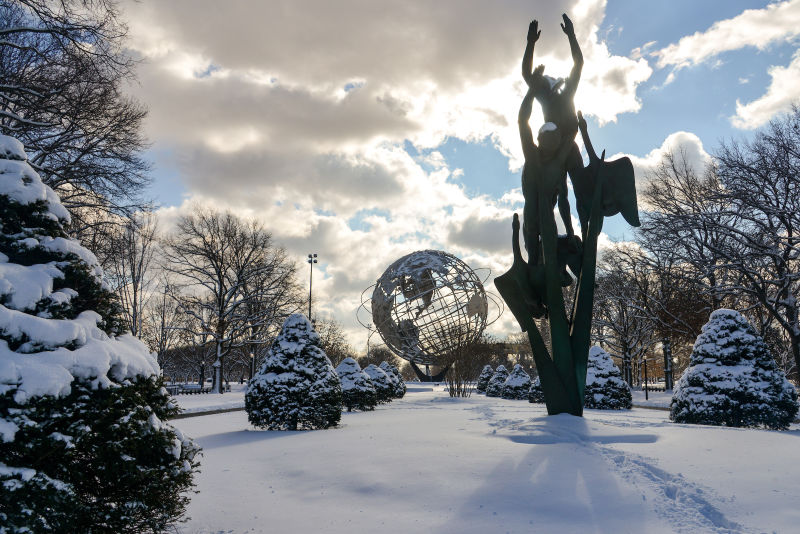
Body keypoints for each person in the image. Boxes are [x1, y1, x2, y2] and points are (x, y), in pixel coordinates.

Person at [521, 15, 584, 239]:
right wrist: (530, 43)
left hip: (569, 145)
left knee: (580, 188)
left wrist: (572, 36)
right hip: (552, 147)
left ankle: (578, 231)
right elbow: (527, 74)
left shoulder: (567, 92)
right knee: (554, 193)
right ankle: (544, 234)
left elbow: (578, 64)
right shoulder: (546, 96)